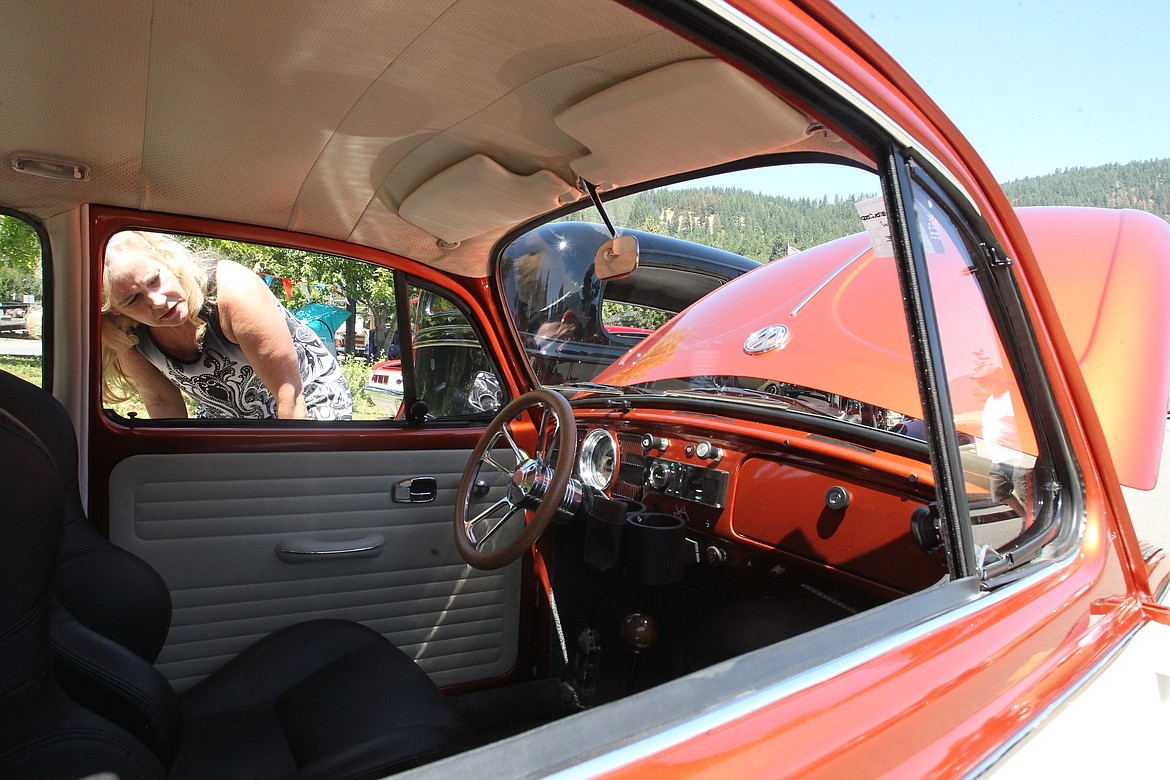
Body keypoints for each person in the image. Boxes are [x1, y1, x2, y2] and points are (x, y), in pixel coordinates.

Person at [101, 230, 352, 420]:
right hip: (224, 417)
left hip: (307, 404)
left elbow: (290, 394)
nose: (156, 301)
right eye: (133, 299)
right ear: (116, 311)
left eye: (154, 280)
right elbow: (162, 402)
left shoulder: (233, 290)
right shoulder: (126, 334)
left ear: (167, 261)